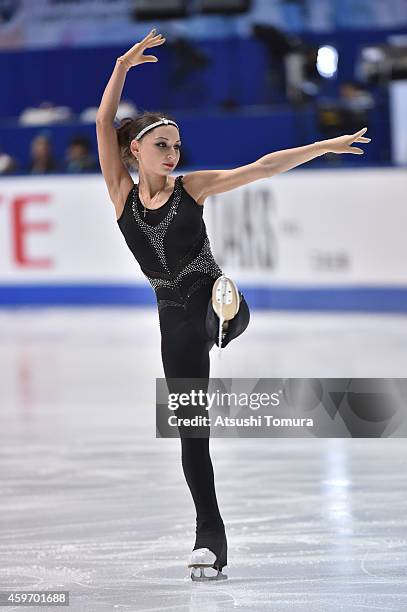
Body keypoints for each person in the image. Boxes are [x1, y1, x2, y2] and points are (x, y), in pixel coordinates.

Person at [95, 28, 371, 582]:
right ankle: (209, 537)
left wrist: (322, 146)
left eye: (176, 145)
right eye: (161, 146)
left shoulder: (192, 188)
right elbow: (103, 122)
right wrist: (123, 65)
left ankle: (230, 312)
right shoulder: (122, 194)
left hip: (209, 295)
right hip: (172, 317)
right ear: (135, 152)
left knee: (217, 308)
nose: (173, 154)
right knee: (190, 427)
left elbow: (262, 167)